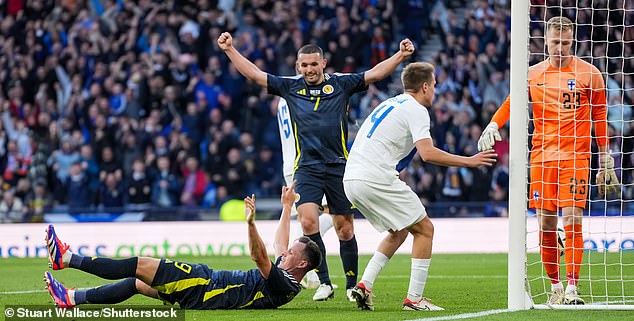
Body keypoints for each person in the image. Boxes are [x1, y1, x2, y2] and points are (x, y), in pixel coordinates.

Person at [218, 31, 415, 301]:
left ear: (323, 63)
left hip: (338, 166)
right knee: (309, 220)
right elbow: (254, 74)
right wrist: (230, 50)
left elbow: (375, 74)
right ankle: (325, 282)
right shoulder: (290, 87)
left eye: (314, 64)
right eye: (304, 65)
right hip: (307, 167)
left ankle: (350, 285)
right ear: (298, 66)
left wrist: (400, 56)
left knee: (344, 227)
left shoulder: (342, 84)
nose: (309, 69)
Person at [477, 16, 619, 305]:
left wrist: (605, 156)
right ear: (545, 42)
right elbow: (511, 102)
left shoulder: (589, 74)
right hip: (542, 158)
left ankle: (571, 288)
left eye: (566, 43)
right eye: (555, 42)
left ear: (573, 42)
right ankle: (554, 286)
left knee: (572, 218)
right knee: (545, 224)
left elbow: (600, 117)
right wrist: (494, 124)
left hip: (576, 157)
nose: (560, 48)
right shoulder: (532, 74)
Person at [343, 62, 497, 311]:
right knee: (425, 229)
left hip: (351, 178)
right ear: (425, 86)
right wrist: (468, 161)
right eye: (434, 85)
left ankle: (364, 285)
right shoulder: (416, 109)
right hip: (373, 177)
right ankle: (414, 299)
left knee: (400, 230)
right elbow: (427, 153)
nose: (435, 90)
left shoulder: (389, 103)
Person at [43, 181, 322, 310]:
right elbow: (278, 244)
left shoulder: (283, 283)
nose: (285, 253)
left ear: (302, 264)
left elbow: (258, 256)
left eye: (291, 253)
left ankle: (67, 259)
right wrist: (287, 208)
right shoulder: (287, 277)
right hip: (203, 290)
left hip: (204, 285)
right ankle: (71, 298)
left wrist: (250, 224)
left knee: (139, 264)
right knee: (135, 283)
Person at [276, 96, 334, 290]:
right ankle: (315, 274)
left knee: (306, 219)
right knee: (329, 213)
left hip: (291, 163)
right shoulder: (300, 94)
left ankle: (312, 275)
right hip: (307, 162)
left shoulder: (282, 100)